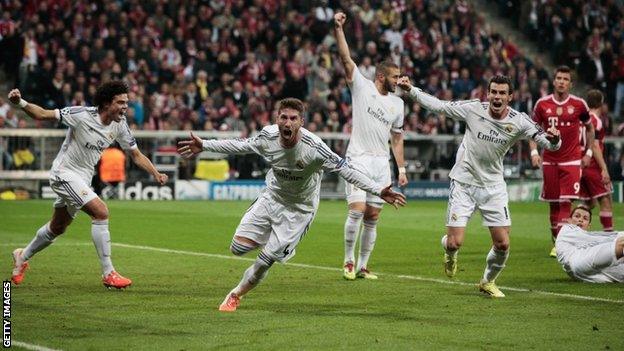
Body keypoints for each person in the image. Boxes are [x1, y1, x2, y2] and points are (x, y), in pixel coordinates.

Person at [177, 98, 406, 312]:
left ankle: (236, 294)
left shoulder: (314, 147)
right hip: (272, 198)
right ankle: (280, 245)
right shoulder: (267, 137)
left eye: (293, 118)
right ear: (277, 119)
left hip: (299, 210)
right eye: (283, 117)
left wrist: (378, 189)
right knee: (237, 248)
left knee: (265, 260)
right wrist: (205, 144)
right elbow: (240, 145)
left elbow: (346, 170)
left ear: (301, 122)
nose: (287, 122)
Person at [397, 74, 561, 297]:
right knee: (455, 243)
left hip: (493, 187)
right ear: (488, 93)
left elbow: (548, 143)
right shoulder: (473, 109)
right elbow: (439, 106)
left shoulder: (519, 120)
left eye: (502, 93)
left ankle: (487, 281)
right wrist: (412, 90)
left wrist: (554, 139)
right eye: (493, 91)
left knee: (503, 244)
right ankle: (450, 253)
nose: (497, 96)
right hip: (464, 182)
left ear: (510, 97)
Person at [8, 81, 168, 289]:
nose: (125, 107)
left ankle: (22, 256)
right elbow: (42, 115)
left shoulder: (119, 124)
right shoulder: (81, 115)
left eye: (126, 102)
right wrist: (19, 102)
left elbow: (135, 154)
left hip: (82, 179)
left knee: (57, 227)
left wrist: (155, 173)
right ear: (106, 103)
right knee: (100, 211)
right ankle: (108, 273)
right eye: (120, 102)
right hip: (63, 173)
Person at [333, 12, 408, 281]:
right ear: (380, 76)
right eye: (395, 76)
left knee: (373, 215)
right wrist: (339, 29)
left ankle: (364, 266)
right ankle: (348, 261)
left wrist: (401, 168)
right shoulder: (362, 87)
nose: (399, 80)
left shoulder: (398, 104)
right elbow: (345, 59)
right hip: (358, 159)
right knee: (357, 210)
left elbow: (397, 138)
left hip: (381, 164)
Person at [528, 66, 594, 257]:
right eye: (559, 78)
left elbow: (590, 129)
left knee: (566, 203)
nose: (562, 81)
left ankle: (561, 244)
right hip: (549, 160)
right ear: (554, 81)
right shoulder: (542, 104)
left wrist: (588, 152)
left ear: (570, 83)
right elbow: (532, 130)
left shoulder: (579, 104)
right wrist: (534, 152)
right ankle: (556, 239)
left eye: (566, 79)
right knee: (554, 204)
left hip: (572, 161)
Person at [555, 206, 624, 283]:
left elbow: (595, 236)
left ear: (589, 225)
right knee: (621, 244)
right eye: (577, 216)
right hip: (579, 260)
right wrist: (620, 235)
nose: (580, 220)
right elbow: (594, 238)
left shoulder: (587, 238)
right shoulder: (567, 229)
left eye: (585, 218)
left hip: (584, 273)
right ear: (569, 220)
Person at [579, 90, 613, 231]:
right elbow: (595, 145)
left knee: (588, 203)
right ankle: (609, 235)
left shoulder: (582, 119)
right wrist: (604, 168)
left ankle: (575, 235)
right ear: (601, 103)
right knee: (605, 200)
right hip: (592, 165)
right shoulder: (596, 121)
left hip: (580, 164)